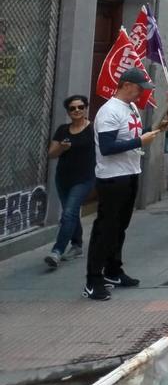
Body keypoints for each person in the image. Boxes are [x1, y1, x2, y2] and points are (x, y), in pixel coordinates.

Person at [84, 68, 168, 300]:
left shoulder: (131, 108)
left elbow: (137, 134)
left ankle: (113, 269)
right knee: (106, 228)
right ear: (126, 85)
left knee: (120, 226)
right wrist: (139, 140)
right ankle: (93, 279)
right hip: (113, 177)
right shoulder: (109, 111)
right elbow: (107, 147)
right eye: (138, 88)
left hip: (131, 172)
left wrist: (159, 127)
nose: (140, 93)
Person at [45, 95, 95, 268]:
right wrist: (62, 147)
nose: (77, 111)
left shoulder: (93, 129)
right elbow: (51, 154)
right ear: (68, 111)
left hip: (84, 179)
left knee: (68, 214)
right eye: (72, 108)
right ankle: (77, 245)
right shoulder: (62, 130)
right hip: (63, 179)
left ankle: (57, 251)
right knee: (71, 213)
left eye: (80, 107)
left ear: (86, 108)